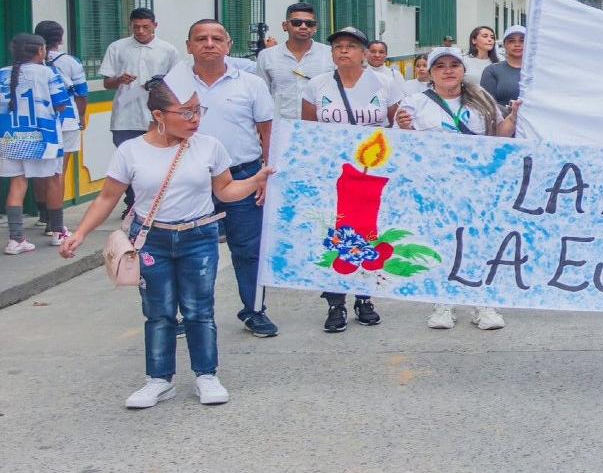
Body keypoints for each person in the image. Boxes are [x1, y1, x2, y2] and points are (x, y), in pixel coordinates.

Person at [60, 75, 272, 408]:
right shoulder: (131, 151)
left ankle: (206, 375)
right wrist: (80, 232)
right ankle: (159, 381)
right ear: (159, 115)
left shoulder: (209, 146)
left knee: (199, 310)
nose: (195, 119)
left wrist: (254, 181)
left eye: (198, 110)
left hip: (199, 237)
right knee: (158, 312)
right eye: (186, 112)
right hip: (151, 239)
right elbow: (107, 198)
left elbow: (225, 190)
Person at [396, 47, 520, 331]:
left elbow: (499, 134)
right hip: (436, 187)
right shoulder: (415, 103)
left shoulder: (481, 98)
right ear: (430, 73)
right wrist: (405, 129)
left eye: (454, 65)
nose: (448, 70)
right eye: (440, 66)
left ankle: (482, 301)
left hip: (478, 185)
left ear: (464, 70)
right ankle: (444, 301)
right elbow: (405, 148)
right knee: (442, 242)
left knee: (479, 241)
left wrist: (513, 117)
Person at [180, 20, 278, 338]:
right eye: (201, 39)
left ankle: (254, 310)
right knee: (190, 250)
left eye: (216, 38)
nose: (209, 44)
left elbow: (267, 132)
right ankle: (190, 314)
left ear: (228, 45)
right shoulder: (173, 84)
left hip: (243, 175)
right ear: (189, 46)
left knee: (249, 249)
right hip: (190, 180)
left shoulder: (251, 84)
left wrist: (266, 175)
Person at [302, 27, 400, 332]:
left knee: (368, 231)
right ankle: (335, 302)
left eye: (351, 46)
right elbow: (307, 130)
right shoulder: (317, 85)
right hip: (334, 172)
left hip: (372, 172)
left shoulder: (385, 83)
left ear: (364, 53)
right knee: (336, 232)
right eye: (338, 46)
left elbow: (397, 125)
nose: (344, 50)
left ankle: (365, 298)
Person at [100, 8, 185, 214]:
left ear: (155, 25)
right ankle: (132, 205)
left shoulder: (168, 50)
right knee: (128, 162)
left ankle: (156, 204)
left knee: (158, 160)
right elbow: (106, 83)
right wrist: (119, 80)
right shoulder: (117, 47)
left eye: (146, 27)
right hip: (125, 117)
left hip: (157, 116)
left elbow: (178, 82)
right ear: (130, 25)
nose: (140, 31)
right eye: (136, 27)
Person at [0, 34, 69, 254]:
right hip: (44, 138)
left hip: (11, 138)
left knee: (17, 183)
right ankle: (58, 232)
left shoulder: (3, 74)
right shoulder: (48, 73)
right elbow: (61, 105)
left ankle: (16, 239)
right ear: (40, 51)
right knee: (53, 179)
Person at [35, 21, 88, 242]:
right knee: (59, 172)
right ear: (61, 38)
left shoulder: (30, 62)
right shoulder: (71, 62)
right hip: (66, 119)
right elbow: (82, 93)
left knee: (40, 169)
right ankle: (54, 223)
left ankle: (43, 214)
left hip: (40, 121)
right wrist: (81, 116)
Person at [255, 2, 334, 120]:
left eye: (309, 23)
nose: (303, 26)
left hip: (320, 125)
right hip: (280, 125)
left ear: (315, 27)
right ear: (285, 26)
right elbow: (260, 95)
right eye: (297, 23)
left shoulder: (330, 54)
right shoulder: (267, 56)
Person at [481, 25, 524, 108]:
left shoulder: (537, 71)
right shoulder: (492, 70)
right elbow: (487, 105)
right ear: (504, 45)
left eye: (522, 41)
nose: (517, 44)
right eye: (512, 41)